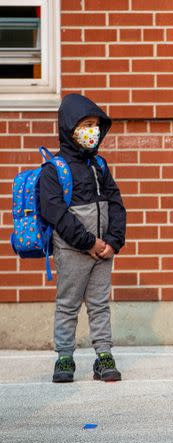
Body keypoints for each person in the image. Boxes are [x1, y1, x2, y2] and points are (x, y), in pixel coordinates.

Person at [40, 94, 126, 383]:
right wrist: (89, 242)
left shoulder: (99, 165)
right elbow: (56, 213)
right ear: (69, 128)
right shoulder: (54, 169)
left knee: (100, 304)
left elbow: (116, 202)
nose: (93, 131)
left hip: (103, 250)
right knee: (68, 304)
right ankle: (64, 357)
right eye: (86, 125)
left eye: (96, 125)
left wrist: (113, 241)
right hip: (75, 249)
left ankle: (103, 355)